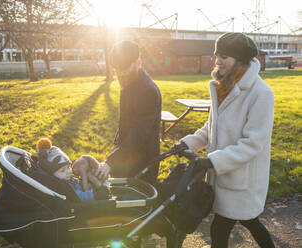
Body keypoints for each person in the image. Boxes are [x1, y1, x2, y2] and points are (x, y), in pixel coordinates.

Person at [175, 32, 275, 248]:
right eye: (217, 55)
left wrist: (212, 161)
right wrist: (188, 143)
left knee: (235, 225)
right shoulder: (223, 86)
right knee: (235, 225)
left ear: (240, 60)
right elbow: (212, 127)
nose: (217, 61)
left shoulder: (261, 94)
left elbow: (253, 143)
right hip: (223, 177)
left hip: (243, 179)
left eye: (225, 56)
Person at [94, 40, 162, 184]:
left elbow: (138, 134)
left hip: (141, 163)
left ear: (138, 63)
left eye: (125, 68)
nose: (121, 73)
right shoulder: (128, 82)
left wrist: (111, 162)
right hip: (125, 156)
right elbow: (124, 124)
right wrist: (115, 153)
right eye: (117, 69)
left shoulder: (148, 91)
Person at [36, 138, 110, 201]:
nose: (68, 171)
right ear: (51, 174)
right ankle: (102, 188)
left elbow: (79, 184)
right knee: (102, 193)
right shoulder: (62, 187)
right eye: (62, 171)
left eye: (68, 167)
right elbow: (79, 196)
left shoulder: (67, 178)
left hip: (84, 189)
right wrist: (96, 194)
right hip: (82, 197)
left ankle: (101, 185)